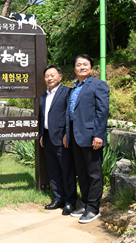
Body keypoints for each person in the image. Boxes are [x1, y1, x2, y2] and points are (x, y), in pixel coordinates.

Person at [65, 54, 109, 224]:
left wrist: (98, 135)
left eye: (85, 64)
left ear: (91, 68)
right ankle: (84, 204)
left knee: (94, 173)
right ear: (75, 69)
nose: (82, 67)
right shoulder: (75, 88)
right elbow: (71, 115)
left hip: (92, 137)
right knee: (82, 173)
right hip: (76, 137)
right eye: (78, 64)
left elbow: (102, 111)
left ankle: (93, 209)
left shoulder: (98, 85)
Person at [39, 64, 77, 215]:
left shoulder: (67, 92)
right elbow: (43, 117)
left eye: (52, 75)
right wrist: (42, 134)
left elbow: (70, 115)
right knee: (53, 170)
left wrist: (68, 134)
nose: (49, 78)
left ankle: (70, 201)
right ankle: (58, 198)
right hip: (47, 137)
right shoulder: (44, 95)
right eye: (47, 75)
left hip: (62, 138)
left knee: (66, 170)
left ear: (60, 76)